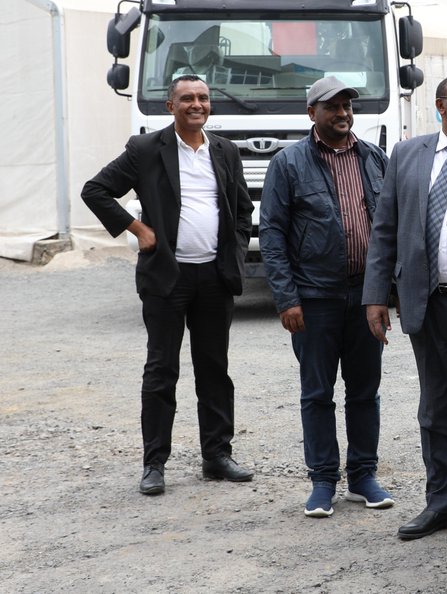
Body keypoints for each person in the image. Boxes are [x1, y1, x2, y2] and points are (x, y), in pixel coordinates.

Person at [81, 75, 254, 496]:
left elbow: (243, 209)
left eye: (203, 98)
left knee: (214, 369)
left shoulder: (225, 151)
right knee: (162, 370)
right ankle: (154, 463)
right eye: (187, 98)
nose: (197, 104)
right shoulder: (146, 150)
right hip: (166, 278)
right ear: (170, 106)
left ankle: (216, 455)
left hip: (214, 277)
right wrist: (138, 229)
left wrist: (233, 252)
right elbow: (96, 190)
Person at [363, 73, 447, 545]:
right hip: (427, 302)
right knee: (436, 411)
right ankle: (441, 506)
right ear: (442, 106)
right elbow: (385, 229)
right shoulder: (407, 155)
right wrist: (376, 295)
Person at [258, 76, 393, 518]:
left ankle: (363, 476)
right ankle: (322, 481)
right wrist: (286, 298)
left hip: (364, 297)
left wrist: (387, 291)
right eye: (331, 107)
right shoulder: (289, 163)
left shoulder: (374, 158)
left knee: (365, 390)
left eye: (347, 106)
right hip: (313, 298)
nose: (342, 114)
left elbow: (390, 227)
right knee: (317, 392)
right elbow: (273, 233)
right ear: (311, 112)